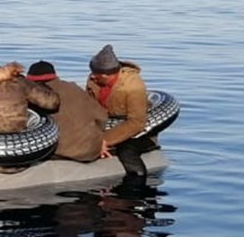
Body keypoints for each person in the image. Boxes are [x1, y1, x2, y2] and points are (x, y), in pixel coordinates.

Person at [84, 45, 154, 179]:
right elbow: (90, 107)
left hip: (138, 132)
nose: (92, 76)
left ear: (107, 75)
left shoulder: (133, 87)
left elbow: (137, 122)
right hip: (106, 124)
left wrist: (104, 140)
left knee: (127, 151)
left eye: (96, 74)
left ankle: (138, 185)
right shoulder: (94, 80)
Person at [25, 60, 108, 162]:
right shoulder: (74, 88)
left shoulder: (33, 95)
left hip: (61, 154)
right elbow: (102, 116)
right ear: (55, 76)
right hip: (91, 151)